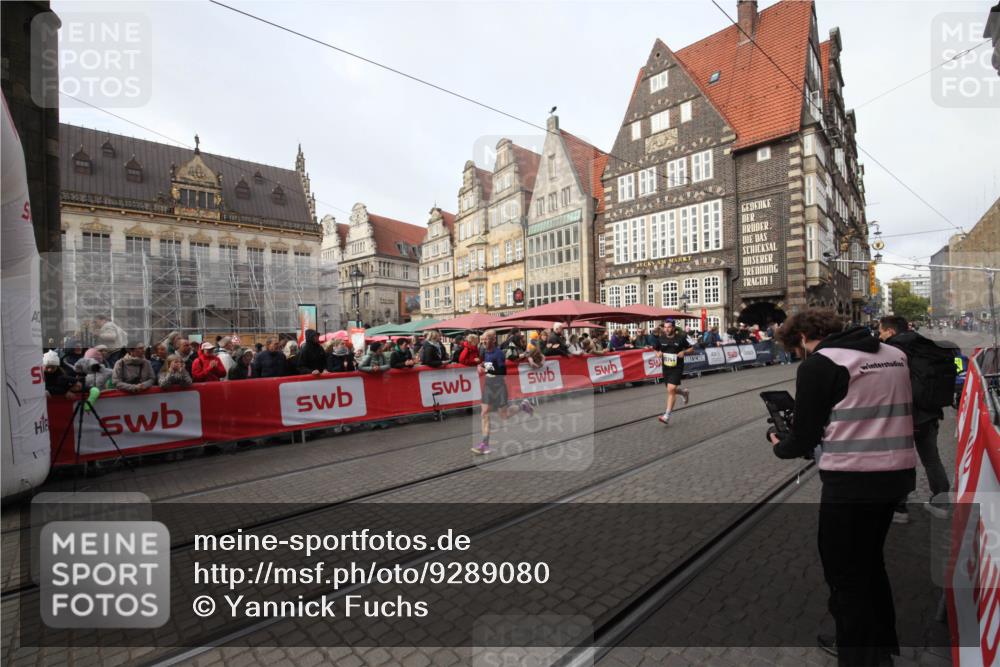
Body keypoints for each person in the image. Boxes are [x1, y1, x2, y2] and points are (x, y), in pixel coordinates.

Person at [771, 310, 916, 666]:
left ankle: (859, 657)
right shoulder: (895, 354)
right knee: (870, 563)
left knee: (845, 575)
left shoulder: (821, 364)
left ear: (802, 336)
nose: (800, 355)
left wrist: (779, 444)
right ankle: (880, 645)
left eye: (797, 349)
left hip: (852, 481)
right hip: (897, 476)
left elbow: (803, 437)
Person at [879, 315, 954, 521]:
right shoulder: (925, 344)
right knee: (932, 459)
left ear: (891, 331)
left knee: (900, 461)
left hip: (903, 415)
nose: (879, 335)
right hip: (929, 413)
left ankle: (899, 508)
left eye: (881, 331)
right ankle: (941, 503)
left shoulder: (892, 350)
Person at [472, 329, 534, 455]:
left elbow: (502, 372)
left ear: (493, 340)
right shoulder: (484, 351)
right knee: (484, 413)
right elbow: (487, 363)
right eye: (482, 340)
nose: (483, 342)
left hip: (499, 387)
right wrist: (481, 365)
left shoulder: (499, 353)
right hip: (488, 386)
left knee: (504, 416)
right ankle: (485, 444)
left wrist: (485, 369)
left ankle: (523, 406)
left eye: (486, 339)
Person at [655, 321, 692, 424]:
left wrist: (684, 352)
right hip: (666, 367)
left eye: (669, 327)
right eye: (665, 327)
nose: (666, 329)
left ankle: (666, 416)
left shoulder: (681, 338)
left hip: (677, 367)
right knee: (671, 390)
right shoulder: (661, 338)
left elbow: (691, 348)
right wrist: (658, 353)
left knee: (671, 389)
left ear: (673, 328)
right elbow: (656, 349)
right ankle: (684, 393)